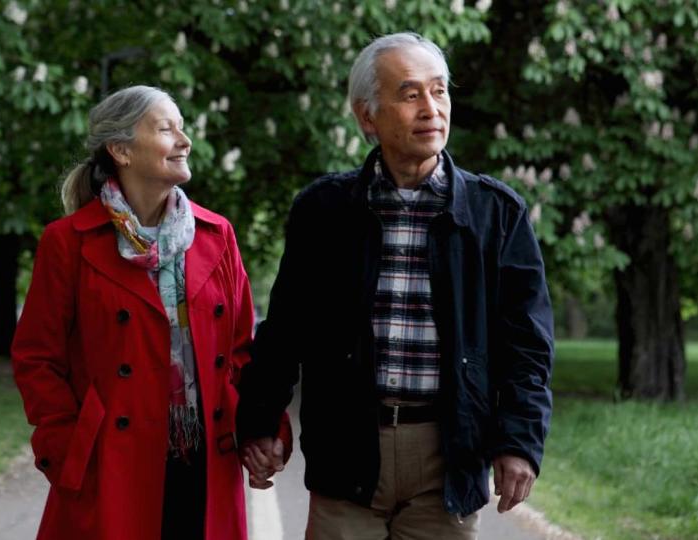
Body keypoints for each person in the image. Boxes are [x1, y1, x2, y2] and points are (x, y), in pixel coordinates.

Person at [235, 32, 554, 539]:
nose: (431, 108)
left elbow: (527, 344)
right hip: (347, 450)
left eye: (439, 91)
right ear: (368, 117)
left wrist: (519, 441)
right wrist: (258, 422)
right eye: (410, 95)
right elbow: (287, 328)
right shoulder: (325, 210)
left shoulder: (496, 213)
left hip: (449, 452)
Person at [12, 85, 274, 540]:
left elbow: (240, 351)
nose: (184, 140)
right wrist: (66, 446)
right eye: (166, 129)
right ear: (121, 150)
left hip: (208, 459)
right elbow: (37, 357)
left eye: (182, 127)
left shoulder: (218, 235)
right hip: (112, 463)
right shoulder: (68, 242)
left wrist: (263, 428)